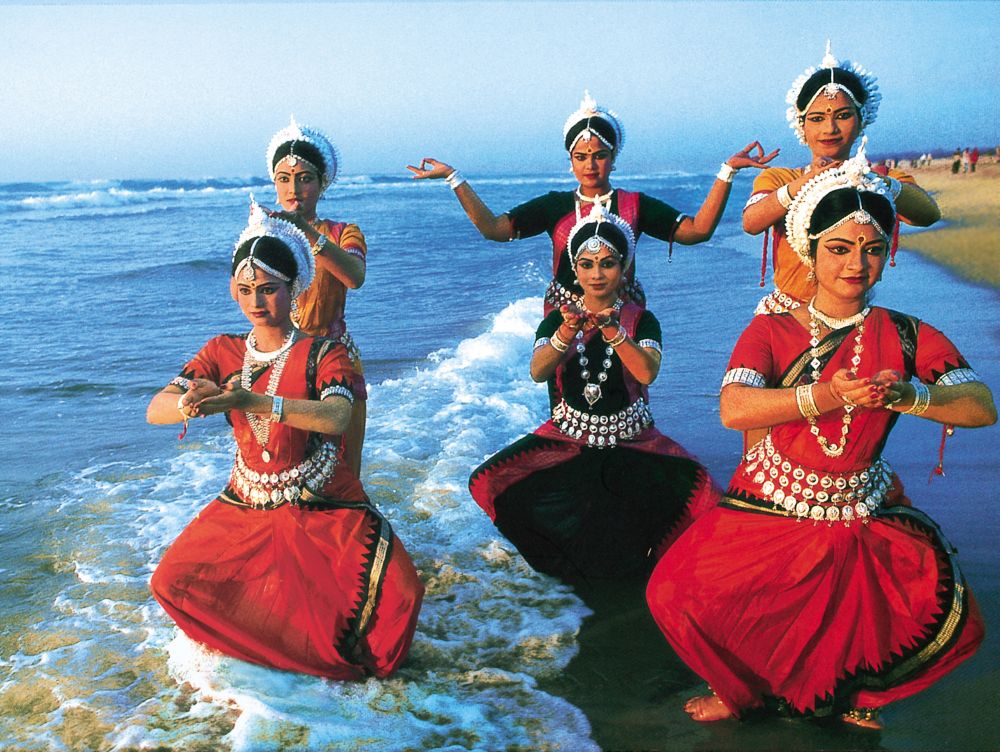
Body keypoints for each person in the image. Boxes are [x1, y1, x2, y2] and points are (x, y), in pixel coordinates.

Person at [646, 147, 995, 730]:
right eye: (838, 248)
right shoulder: (771, 329)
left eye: (871, 249)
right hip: (776, 496)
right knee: (674, 596)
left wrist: (907, 396)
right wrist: (829, 394)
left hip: (861, 499)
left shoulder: (909, 334)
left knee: (873, 613)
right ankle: (740, 691)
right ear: (809, 251)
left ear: (887, 256)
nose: (855, 263)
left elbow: (981, 405)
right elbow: (735, 408)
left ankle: (854, 693)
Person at [147, 206, 423, 680]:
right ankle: (273, 664)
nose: (256, 302)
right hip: (247, 500)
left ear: (293, 288)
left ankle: (310, 660)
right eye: (246, 290)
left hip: (320, 498)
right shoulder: (222, 350)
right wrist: (191, 402)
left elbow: (338, 416)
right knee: (171, 583)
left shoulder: (323, 351)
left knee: (402, 598)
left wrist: (254, 400)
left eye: (269, 289)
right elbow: (156, 409)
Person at [469, 208, 719, 584]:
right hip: (568, 438)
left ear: (623, 267)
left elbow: (647, 372)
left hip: (634, 441)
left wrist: (616, 333)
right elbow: (537, 371)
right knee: (488, 481)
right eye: (586, 265)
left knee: (700, 494)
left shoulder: (641, 320)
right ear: (574, 268)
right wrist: (567, 333)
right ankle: (561, 572)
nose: (597, 274)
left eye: (607, 264)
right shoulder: (557, 319)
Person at [408, 91, 777, 315]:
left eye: (599, 155)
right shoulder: (554, 207)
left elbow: (697, 232)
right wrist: (453, 178)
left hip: (626, 316)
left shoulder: (635, 205)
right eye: (581, 156)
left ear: (613, 157)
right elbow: (493, 230)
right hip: (563, 317)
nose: (590, 164)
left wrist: (727, 172)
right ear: (570, 161)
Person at [743, 41, 940, 315]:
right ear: (801, 125)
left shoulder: (880, 179)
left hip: (852, 317)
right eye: (816, 119)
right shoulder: (781, 178)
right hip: (785, 318)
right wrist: (808, 182)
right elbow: (752, 222)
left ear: (862, 119)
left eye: (843, 115)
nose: (830, 128)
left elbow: (929, 214)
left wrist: (867, 179)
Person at [263, 117, 369, 477]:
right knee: (282, 473)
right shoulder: (263, 236)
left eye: (305, 178)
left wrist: (308, 233)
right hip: (280, 364)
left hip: (336, 364)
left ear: (323, 184)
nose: (294, 187)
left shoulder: (344, 233)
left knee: (341, 473)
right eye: (284, 178)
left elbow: (354, 277)